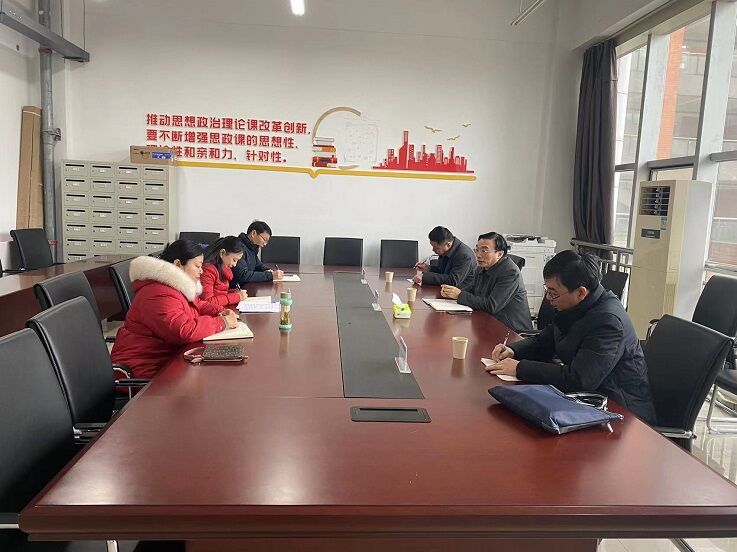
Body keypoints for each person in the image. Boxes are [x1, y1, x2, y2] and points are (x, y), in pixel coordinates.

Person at [487, 250, 657, 424]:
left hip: (622, 413)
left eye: (553, 292)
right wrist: (513, 351)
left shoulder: (608, 322)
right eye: (547, 290)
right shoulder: (577, 306)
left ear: (581, 293)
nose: (548, 298)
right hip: (589, 400)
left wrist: (520, 368)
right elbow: (547, 340)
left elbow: (579, 379)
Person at [111, 240, 239, 379]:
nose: (201, 271)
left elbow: (199, 304)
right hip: (144, 370)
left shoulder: (177, 286)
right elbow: (183, 331)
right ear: (178, 264)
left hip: (168, 360)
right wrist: (221, 322)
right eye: (197, 266)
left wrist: (220, 311)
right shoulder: (158, 293)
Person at [440, 232, 532, 332]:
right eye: (477, 250)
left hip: (512, 331)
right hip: (489, 322)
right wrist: (451, 292)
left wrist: (459, 295)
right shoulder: (482, 267)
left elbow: (491, 305)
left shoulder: (510, 273)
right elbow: (472, 289)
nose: (478, 255)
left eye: (484, 251)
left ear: (499, 254)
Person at [201, 236, 249, 308]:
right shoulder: (208, 271)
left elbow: (219, 293)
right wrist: (236, 297)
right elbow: (207, 302)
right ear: (222, 253)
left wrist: (234, 292)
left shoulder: (221, 268)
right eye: (234, 260)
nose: (235, 264)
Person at [232, 220, 284, 285]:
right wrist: (270, 276)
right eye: (264, 240)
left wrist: (267, 270)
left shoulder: (251, 247)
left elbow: (258, 265)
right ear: (253, 233)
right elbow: (243, 275)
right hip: (237, 288)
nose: (265, 244)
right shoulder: (238, 247)